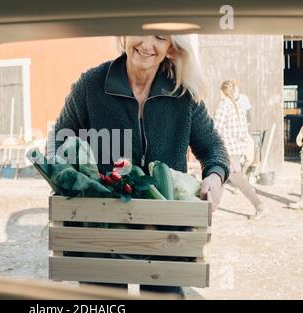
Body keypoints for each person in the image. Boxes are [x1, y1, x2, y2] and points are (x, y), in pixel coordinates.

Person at [47, 35, 231, 296]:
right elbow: (58, 141)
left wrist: (214, 177)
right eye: (140, 31)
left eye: (159, 37)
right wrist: (69, 180)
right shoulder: (91, 86)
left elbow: (214, 149)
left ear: (171, 47)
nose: (146, 45)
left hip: (166, 234)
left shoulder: (182, 94)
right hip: (102, 231)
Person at [214, 80, 268, 220]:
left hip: (227, 149)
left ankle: (260, 206)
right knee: (221, 177)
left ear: (222, 92)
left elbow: (216, 130)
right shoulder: (239, 107)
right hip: (237, 149)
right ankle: (210, 207)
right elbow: (244, 131)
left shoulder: (223, 106)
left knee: (236, 178)